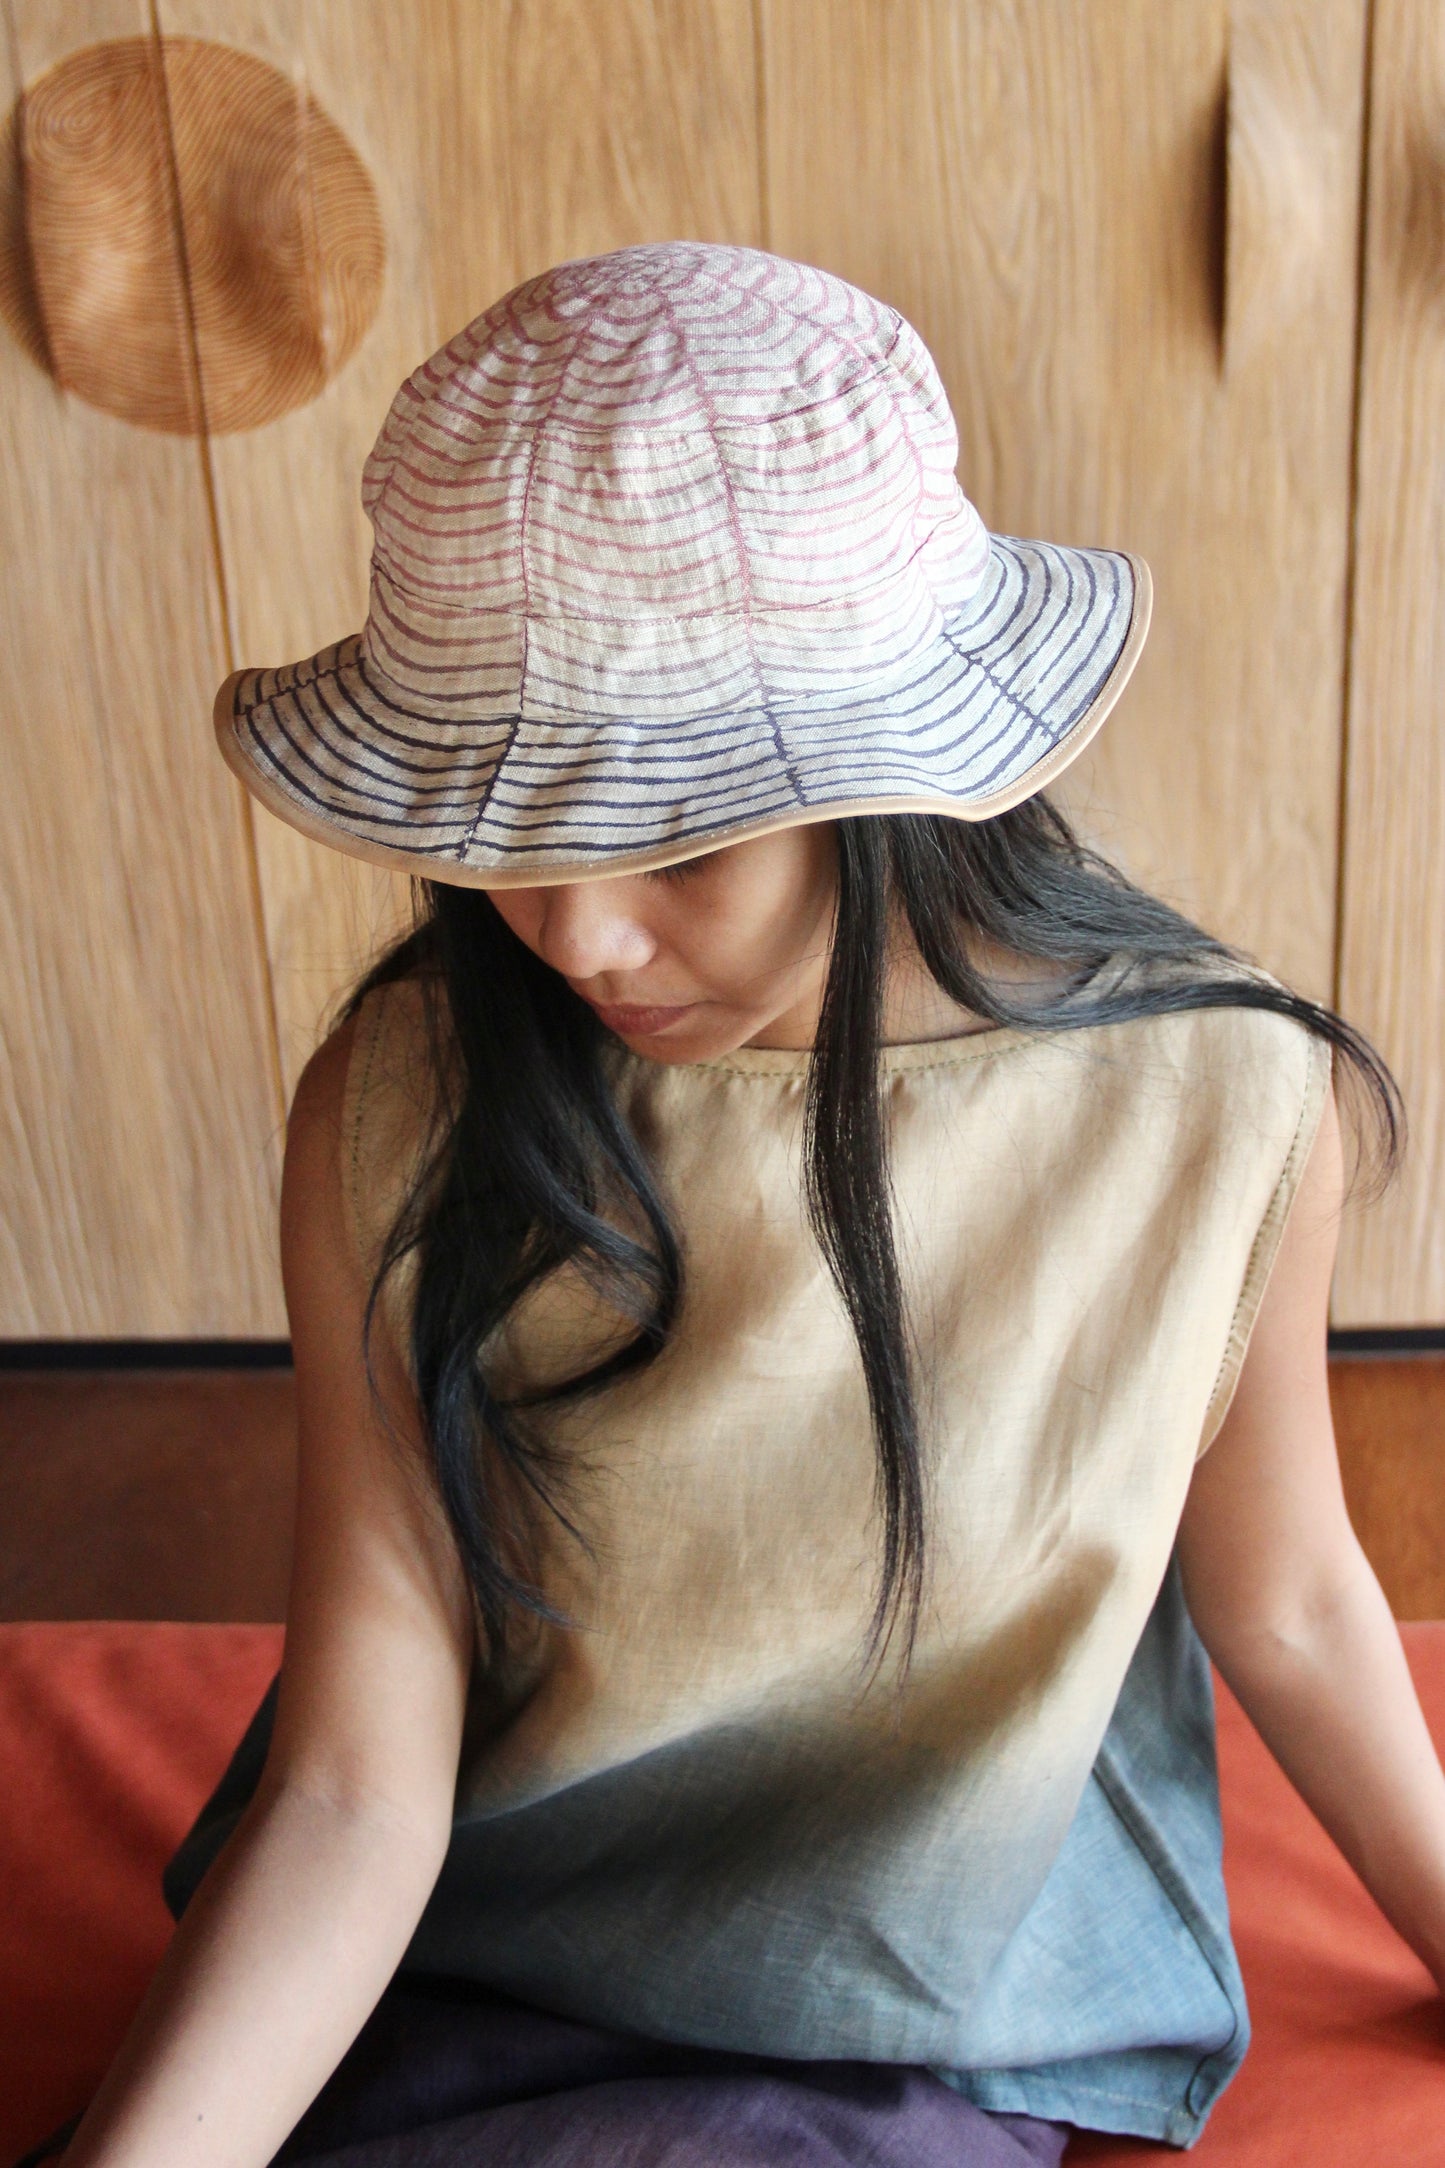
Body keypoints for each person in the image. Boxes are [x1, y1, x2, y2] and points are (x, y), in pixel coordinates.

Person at [36, 242, 1445, 2168]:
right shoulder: (402, 1100)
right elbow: (359, 1783)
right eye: (511, 840)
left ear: (891, 785)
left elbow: (1285, 1598)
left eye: (680, 839)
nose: (577, 938)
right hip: (467, 1959)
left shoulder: (1216, 1107)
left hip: (923, 2006)